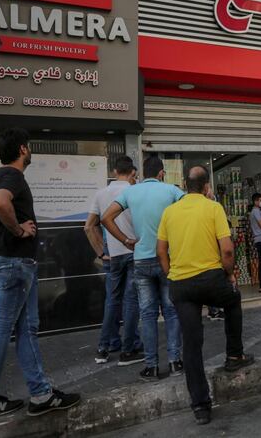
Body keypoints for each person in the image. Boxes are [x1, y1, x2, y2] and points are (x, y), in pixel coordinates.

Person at [0, 128, 80, 422]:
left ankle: (39, 394)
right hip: (16, 263)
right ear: (22, 150)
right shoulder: (11, 176)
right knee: (4, 329)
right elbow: (1, 203)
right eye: (28, 147)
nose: (29, 150)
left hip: (13, 262)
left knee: (24, 329)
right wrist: (19, 230)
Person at [158, 166, 254, 425]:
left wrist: (171, 275)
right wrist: (231, 275)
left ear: (185, 186)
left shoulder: (170, 211)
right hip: (211, 280)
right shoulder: (213, 208)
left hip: (181, 285)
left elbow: (161, 250)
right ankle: (234, 355)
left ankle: (200, 406)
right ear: (206, 187)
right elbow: (227, 251)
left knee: (191, 344)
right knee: (233, 300)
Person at [102, 156, 184, 381]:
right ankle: (175, 362)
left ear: (143, 173)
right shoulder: (172, 191)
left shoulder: (130, 192)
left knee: (147, 314)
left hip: (141, 261)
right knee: (171, 311)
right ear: (161, 173)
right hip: (167, 259)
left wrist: (126, 240)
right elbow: (189, 211)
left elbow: (106, 218)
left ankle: (152, 367)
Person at [84, 156, 142, 365]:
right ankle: (130, 349)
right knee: (130, 301)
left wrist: (101, 252)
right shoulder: (135, 191)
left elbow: (89, 226)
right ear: (132, 172)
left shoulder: (101, 194)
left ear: (114, 171)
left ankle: (104, 348)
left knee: (112, 301)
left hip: (112, 255)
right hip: (133, 251)